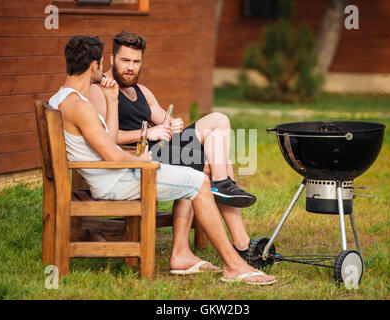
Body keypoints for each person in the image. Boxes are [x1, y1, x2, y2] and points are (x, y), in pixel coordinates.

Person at [50, 35, 275, 286]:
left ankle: (209, 249)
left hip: (114, 173)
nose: (128, 66)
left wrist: (113, 101)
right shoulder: (80, 105)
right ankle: (233, 264)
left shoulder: (62, 99)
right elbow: (112, 153)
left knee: (199, 169)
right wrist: (145, 158)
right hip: (115, 178)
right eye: (106, 63)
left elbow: (107, 140)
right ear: (95, 65)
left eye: (137, 60)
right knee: (199, 178)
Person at [88, 31, 258, 269]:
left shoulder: (143, 92)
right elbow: (105, 139)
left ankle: (232, 232)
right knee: (212, 150)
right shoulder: (99, 90)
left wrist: (173, 124)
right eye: (125, 60)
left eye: (136, 62)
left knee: (218, 129)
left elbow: (165, 120)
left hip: (165, 151)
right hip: (141, 158)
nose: (131, 68)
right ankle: (240, 241)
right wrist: (148, 133)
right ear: (112, 57)